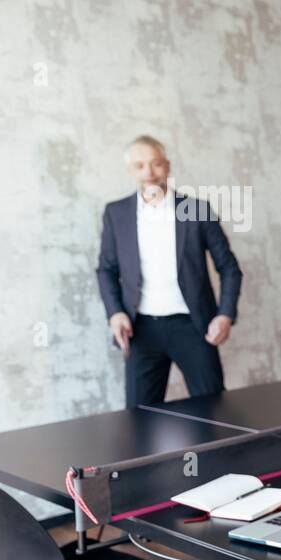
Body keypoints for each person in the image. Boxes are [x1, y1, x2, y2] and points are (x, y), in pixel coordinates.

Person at [97, 136, 242, 408]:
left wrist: (224, 315)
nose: (149, 173)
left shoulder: (196, 210)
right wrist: (115, 313)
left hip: (193, 326)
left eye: (155, 164)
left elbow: (229, 268)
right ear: (131, 172)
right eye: (139, 166)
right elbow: (106, 270)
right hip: (140, 330)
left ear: (168, 166)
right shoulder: (116, 213)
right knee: (139, 421)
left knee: (214, 413)